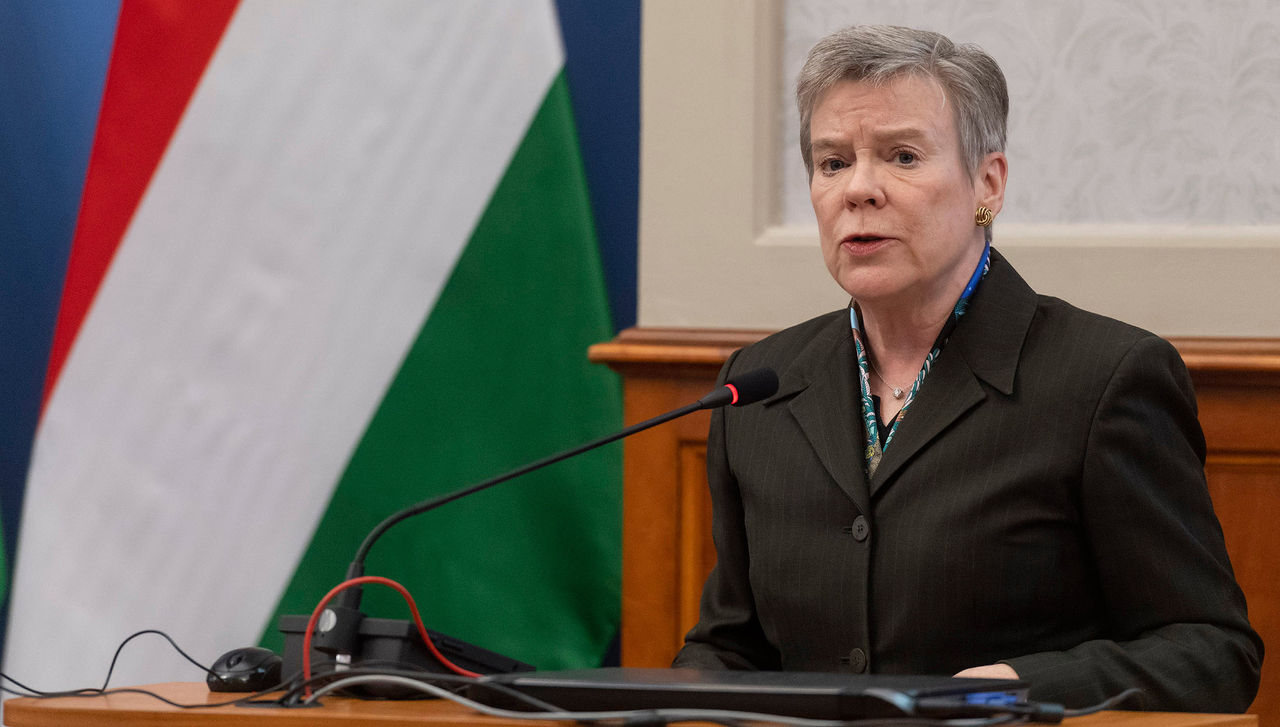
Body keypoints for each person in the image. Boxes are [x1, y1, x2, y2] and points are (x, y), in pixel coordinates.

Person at [671, 24, 1262, 712]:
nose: (859, 189)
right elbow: (728, 645)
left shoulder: (1104, 379)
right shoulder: (761, 384)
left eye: (901, 156)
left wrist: (1015, 690)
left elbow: (1213, 652)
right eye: (832, 163)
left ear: (988, 182)